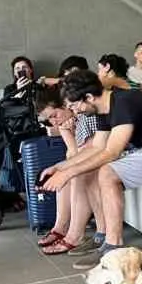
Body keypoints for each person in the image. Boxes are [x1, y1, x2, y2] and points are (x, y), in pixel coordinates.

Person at [39, 68, 142, 270]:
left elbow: (111, 152)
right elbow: (97, 148)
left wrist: (67, 173)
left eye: (75, 105)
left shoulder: (124, 102)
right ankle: (102, 236)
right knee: (90, 170)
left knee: (106, 171)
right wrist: (60, 167)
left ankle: (113, 246)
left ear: (89, 97)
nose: (75, 111)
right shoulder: (103, 109)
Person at [33, 92, 104, 256]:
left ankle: (75, 235)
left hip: (111, 153)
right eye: (49, 120)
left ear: (65, 105)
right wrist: (65, 130)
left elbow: (88, 152)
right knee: (65, 171)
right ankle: (61, 227)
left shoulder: (86, 115)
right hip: (95, 156)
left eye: (54, 115)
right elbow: (72, 154)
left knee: (76, 173)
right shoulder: (73, 121)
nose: (54, 122)